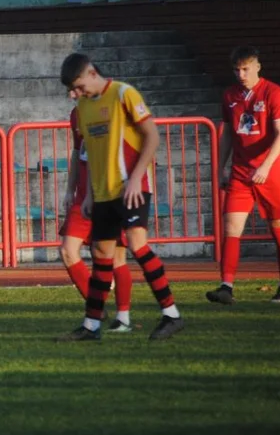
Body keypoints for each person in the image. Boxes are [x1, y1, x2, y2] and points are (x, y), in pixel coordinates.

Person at [57, 53, 184, 341]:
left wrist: (137, 177)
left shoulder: (123, 93)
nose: (75, 93)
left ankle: (171, 313)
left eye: (78, 86)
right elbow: (90, 153)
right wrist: (88, 195)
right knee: (102, 255)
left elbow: (152, 136)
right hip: (102, 193)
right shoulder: (84, 108)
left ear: (91, 73)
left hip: (131, 188)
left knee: (138, 247)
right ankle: (91, 326)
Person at [209, 45, 280, 304]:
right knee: (232, 227)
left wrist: (266, 166)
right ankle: (226, 286)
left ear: (258, 66)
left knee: (279, 226)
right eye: (237, 70)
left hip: (270, 172)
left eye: (246, 68)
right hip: (240, 172)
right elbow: (227, 136)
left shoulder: (273, 92)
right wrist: (220, 166)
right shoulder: (230, 95)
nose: (241, 74)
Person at [59, 99, 135, 333]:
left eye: (77, 87)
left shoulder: (110, 111)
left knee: (116, 258)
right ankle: (97, 307)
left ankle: (123, 318)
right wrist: (70, 188)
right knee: (67, 251)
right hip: (83, 195)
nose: (74, 93)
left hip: (110, 193)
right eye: (71, 90)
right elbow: (77, 151)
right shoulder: (76, 114)